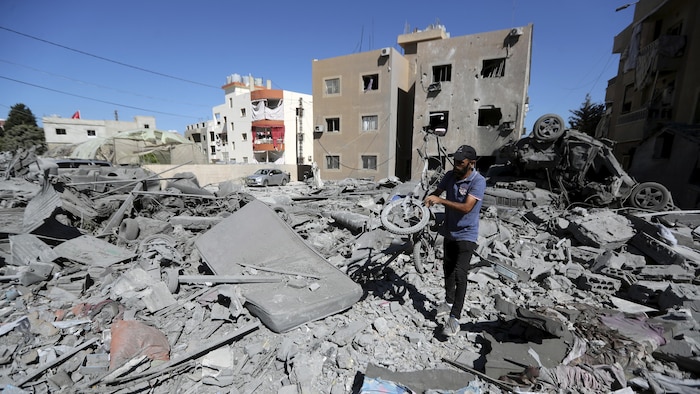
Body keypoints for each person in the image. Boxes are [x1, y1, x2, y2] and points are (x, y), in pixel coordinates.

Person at [424, 144, 486, 337]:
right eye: (455, 161)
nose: (456, 165)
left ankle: (454, 318)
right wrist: (428, 198)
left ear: (471, 163)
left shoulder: (478, 181)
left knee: (460, 274)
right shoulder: (451, 175)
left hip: (467, 234)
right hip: (449, 231)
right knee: (447, 268)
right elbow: (438, 190)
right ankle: (448, 301)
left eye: (461, 162)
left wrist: (440, 201)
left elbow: (467, 207)